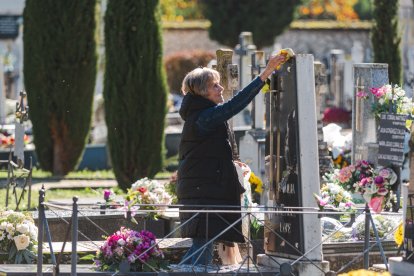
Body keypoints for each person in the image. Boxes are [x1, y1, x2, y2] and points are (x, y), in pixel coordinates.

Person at [176, 53, 287, 265]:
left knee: (204, 246)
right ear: (201, 91)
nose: (221, 89)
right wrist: (265, 73)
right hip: (202, 193)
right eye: (214, 86)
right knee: (201, 248)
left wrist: (232, 161)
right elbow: (235, 105)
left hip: (204, 190)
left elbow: (212, 148)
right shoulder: (203, 116)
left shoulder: (203, 114)